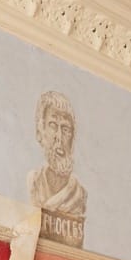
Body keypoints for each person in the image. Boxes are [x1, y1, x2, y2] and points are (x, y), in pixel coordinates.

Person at [27, 92, 88, 248]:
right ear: (40, 133)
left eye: (66, 129)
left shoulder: (79, 195)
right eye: (53, 125)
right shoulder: (33, 183)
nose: (59, 137)